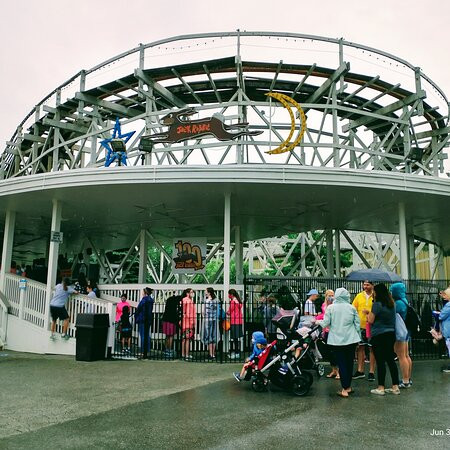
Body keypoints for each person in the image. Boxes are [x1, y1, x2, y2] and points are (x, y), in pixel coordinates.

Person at [316, 287, 360, 398]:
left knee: (341, 363)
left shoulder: (331, 308)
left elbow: (325, 323)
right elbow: (357, 325)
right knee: (349, 363)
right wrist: (358, 338)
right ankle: (348, 386)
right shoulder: (352, 308)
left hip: (336, 340)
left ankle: (344, 389)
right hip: (351, 339)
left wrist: (317, 321)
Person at [365, 283, 400, 396]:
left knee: (380, 361)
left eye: (374, 291)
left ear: (377, 293)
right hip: (391, 334)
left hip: (379, 335)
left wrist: (367, 314)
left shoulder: (377, 304)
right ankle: (395, 386)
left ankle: (381, 387)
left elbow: (370, 320)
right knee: (390, 360)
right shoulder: (392, 304)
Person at [390, 282, 413, 388]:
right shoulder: (404, 300)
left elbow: (392, 315)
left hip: (399, 332)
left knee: (401, 356)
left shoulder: (398, 303)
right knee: (406, 355)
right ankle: (408, 378)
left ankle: (405, 380)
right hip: (406, 331)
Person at [352, 280, 376, 381]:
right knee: (360, 347)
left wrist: (369, 312)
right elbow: (353, 308)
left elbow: (378, 309)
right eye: (364, 284)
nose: (365, 286)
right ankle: (360, 370)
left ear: (372, 285)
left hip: (372, 325)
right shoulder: (359, 296)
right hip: (360, 325)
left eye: (367, 285)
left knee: (372, 348)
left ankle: (371, 371)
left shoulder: (376, 296)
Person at [317, 289, 339, 379]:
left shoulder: (336, 305)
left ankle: (339, 371)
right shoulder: (324, 305)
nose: (331, 297)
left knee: (336, 351)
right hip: (326, 330)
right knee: (329, 351)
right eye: (329, 295)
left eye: (332, 295)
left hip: (334, 330)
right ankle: (334, 370)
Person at [135, 287, 154, 356]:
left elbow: (138, 309)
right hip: (148, 319)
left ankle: (143, 351)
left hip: (142, 319)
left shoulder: (144, 300)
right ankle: (147, 350)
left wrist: (136, 316)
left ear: (145, 293)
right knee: (147, 335)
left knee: (142, 335)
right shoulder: (151, 300)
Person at [162, 294, 181, 359]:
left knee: (167, 336)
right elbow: (176, 315)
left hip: (165, 320)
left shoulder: (168, 302)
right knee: (171, 336)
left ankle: (166, 350)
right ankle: (169, 350)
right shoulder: (174, 306)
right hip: (171, 321)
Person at [202, 287, 218, 360]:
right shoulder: (216, 300)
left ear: (209, 292)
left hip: (208, 320)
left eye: (206, 291)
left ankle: (210, 353)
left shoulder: (207, 300)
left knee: (209, 336)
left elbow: (204, 312)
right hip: (214, 320)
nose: (205, 292)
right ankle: (213, 354)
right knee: (214, 336)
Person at [227, 289, 243, 360]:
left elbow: (229, 311)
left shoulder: (233, 301)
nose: (228, 295)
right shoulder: (238, 301)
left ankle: (236, 352)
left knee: (234, 338)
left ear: (232, 295)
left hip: (234, 321)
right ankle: (237, 352)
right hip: (239, 321)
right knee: (236, 338)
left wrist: (226, 313)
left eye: (229, 294)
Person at [181, 288, 196, 360]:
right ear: (187, 293)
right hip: (188, 322)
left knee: (184, 339)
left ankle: (183, 354)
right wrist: (192, 322)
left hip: (185, 322)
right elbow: (189, 313)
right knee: (187, 339)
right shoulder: (188, 301)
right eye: (191, 292)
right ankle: (186, 354)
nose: (192, 293)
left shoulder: (184, 300)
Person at [438, 288, 450, 373]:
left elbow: (441, 316)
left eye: (445, 294)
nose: (444, 296)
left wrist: (439, 314)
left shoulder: (449, 305)